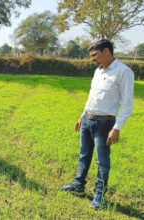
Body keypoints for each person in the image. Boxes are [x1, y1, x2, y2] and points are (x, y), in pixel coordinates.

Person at [59, 39, 134, 209]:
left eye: (95, 55)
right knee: (83, 155)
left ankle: (99, 195)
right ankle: (78, 185)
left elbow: (128, 104)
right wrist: (82, 116)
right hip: (88, 120)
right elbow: (91, 97)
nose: (92, 59)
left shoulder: (124, 72)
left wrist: (117, 128)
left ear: (106, 52)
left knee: (102, 161)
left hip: (104, 124)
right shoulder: (97, 71)